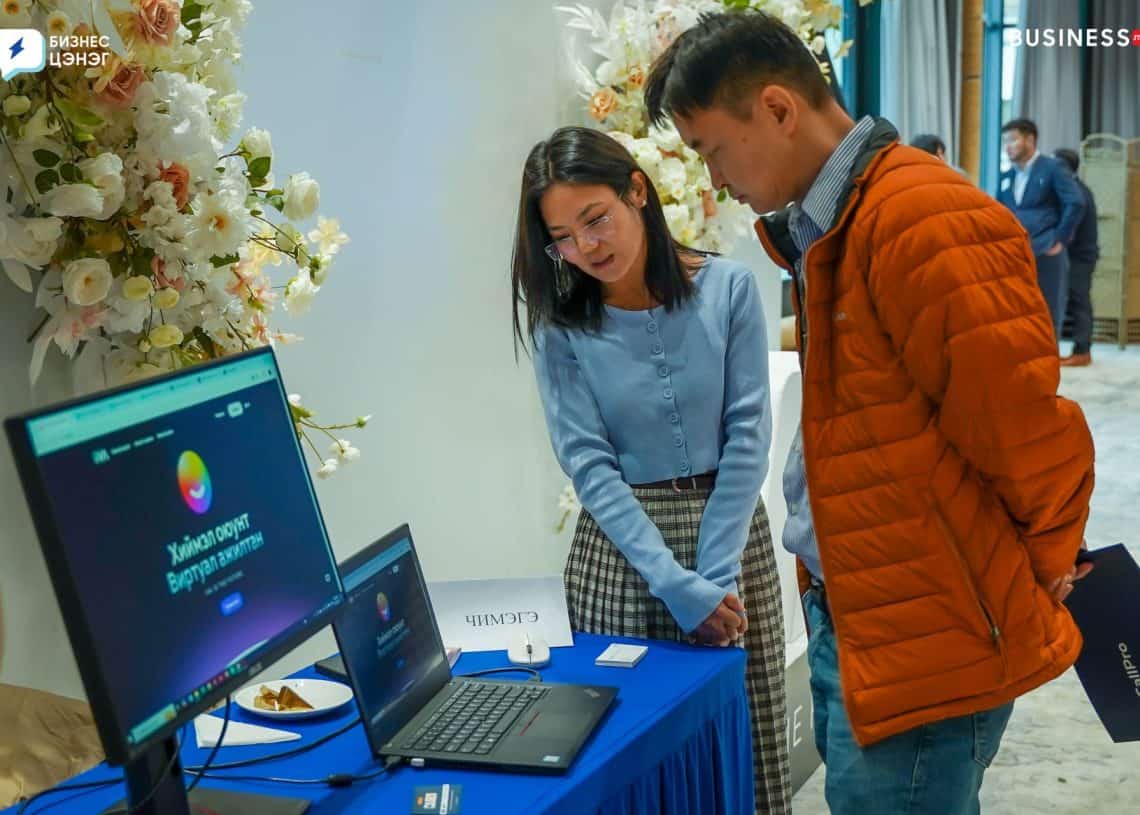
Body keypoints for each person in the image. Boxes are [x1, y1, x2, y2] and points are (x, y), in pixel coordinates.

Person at [646, 10, 1095, 815]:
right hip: (867, 609)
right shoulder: (836, 226)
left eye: (713, 148)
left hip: (930, 629)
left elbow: (1025, 428)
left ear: (779, 108)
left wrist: (1050, 557)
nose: (714, 181)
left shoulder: (919, 219)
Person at [511, 126, 791, 813]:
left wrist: (711, 583)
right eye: (563, 237)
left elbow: (748, 434)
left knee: (741, 751)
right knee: (631, 765)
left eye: (595, 219)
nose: (586, 247)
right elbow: (589, 463)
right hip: (624, 561)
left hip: (731, 548)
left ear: (638, 189)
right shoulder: (561, 327)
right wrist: (674, 585)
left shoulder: (727, 288)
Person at [997, 119, 1086, 338]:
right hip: (1016, 253)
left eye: (1012, 140)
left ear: (1030, 139)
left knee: (1048, 312)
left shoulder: (1053, 168)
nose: (1007, 146)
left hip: (1046, 250)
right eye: (1004, 141)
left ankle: (1048, 367)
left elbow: (1075, 202)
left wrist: (1060, 240)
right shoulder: (1007, 177)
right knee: (1016, 312)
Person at [1053, 147, 1099, 367]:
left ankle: (1082, 351)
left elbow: (1073, 224)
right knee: (1076, 299)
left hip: (1081, 255)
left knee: (1079, 300)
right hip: (1078, 253)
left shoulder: (1075, 191)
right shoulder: (1076, 187)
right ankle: (1078, 348)